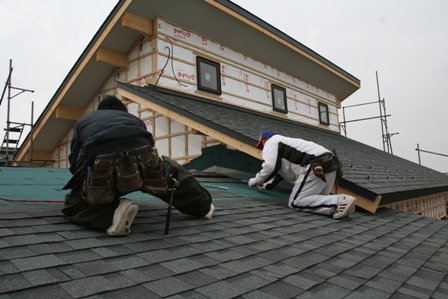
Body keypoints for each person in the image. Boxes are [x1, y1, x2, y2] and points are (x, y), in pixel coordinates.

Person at [62, 95, 214, 236]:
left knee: (73, 205)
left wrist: (85, 185)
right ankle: (203, 207)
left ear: (100, 110)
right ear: (123, 111)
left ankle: (113, 212)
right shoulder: (134, 119)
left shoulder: (84, 121)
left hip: (104, 168)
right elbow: (148, 146)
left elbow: (76, 161)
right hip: (144, 162)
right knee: (165, 173)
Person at [248, 130, 356, 219]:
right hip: (330, 164)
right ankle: (337, 207)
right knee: (318, 199)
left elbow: (270, 167)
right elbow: (279, 172)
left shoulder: (272, 141)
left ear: (265, 139)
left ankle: (341, 200)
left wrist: (257, 180)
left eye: (261, 145)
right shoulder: (287, 147)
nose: (263, 149)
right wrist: (266, 185)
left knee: (295, 201)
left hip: (316, 163)